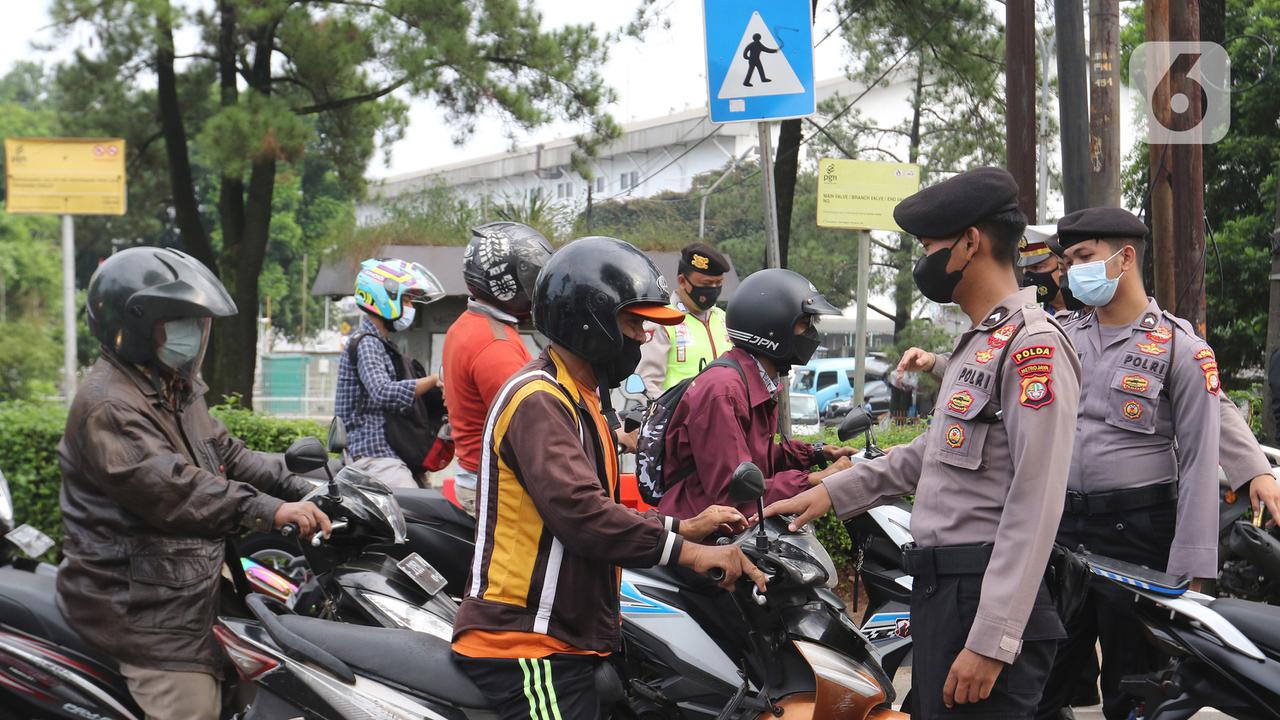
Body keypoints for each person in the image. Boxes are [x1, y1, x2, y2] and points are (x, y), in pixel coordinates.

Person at [766, 167, 1080, 719]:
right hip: (945, 595)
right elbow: (931, 452)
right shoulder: (982, 341)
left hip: (982, 598)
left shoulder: (1033, 347)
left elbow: (1036, 503)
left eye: (930, 245)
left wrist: (992, 639)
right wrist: (833, 493)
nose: (923, 260)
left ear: (969, 243)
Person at [451, 236, 766, 719]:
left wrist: (682, 526)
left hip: (568, 638)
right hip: (527, 645)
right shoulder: (538, 400)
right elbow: (585, 517)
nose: (643, 337)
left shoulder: (582, 398)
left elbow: (598, 507)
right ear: (588, 318)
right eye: (633, 321)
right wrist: (692, 551)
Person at [57, 247, 331, 720]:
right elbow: (176, 489)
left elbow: (228, 454)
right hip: (141, 608)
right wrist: (270, 511)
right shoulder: (109, 405)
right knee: (196, 711)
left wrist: (306, 486)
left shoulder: (172, 387)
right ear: (138, 325)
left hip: (190, 585)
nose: (197, 333)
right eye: (182, 320)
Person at [1016, 207, 1221, 720]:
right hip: (1061, 528)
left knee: (1136, 688)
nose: (1071, 271)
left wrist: (1192, 571)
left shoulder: (1180, 348)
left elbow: (1198, 462)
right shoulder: (1058, 337)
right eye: (1068, 260)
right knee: (1036, 682)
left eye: (1084, 257)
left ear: (1124, 257)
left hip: (1140, 533)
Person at [655, 267, 858, 520]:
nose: (811, 334)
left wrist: (817, 453)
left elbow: (753, 460)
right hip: (701, 538)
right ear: (772, 325)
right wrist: (813, 480)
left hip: (731, 531)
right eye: (804, 323)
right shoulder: (723, 392)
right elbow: (734, 491)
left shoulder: (755, 380)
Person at [443, 221, 553, 516]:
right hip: (496, 488)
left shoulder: (467, 325)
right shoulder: (495, 344)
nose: (537, 289)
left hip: (475, 477)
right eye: (531, 276)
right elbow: (533, 425)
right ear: (506, 279)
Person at [335, 257, 446, 489]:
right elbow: (382, 392)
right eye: (407, 300)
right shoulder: (366, 343)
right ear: (383, 297)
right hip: (370, 453)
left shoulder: (381, 343)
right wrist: (433, 380)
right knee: (416, 513)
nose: (411, 308)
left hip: (389, 453)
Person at [635, 242, 733, 397]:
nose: (713, 289)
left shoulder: (724, 319)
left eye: (718, 283)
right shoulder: (662, 321)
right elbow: (645, 383)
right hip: (679, 417)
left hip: (723, 415)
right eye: (706, 284)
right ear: (682, 281)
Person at [1017, 228, 1084, 314]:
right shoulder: (1029, 315)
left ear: (1064, 266)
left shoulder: (1090, 311)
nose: (1029, 276)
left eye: (1037, 267)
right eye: (1026, 268)